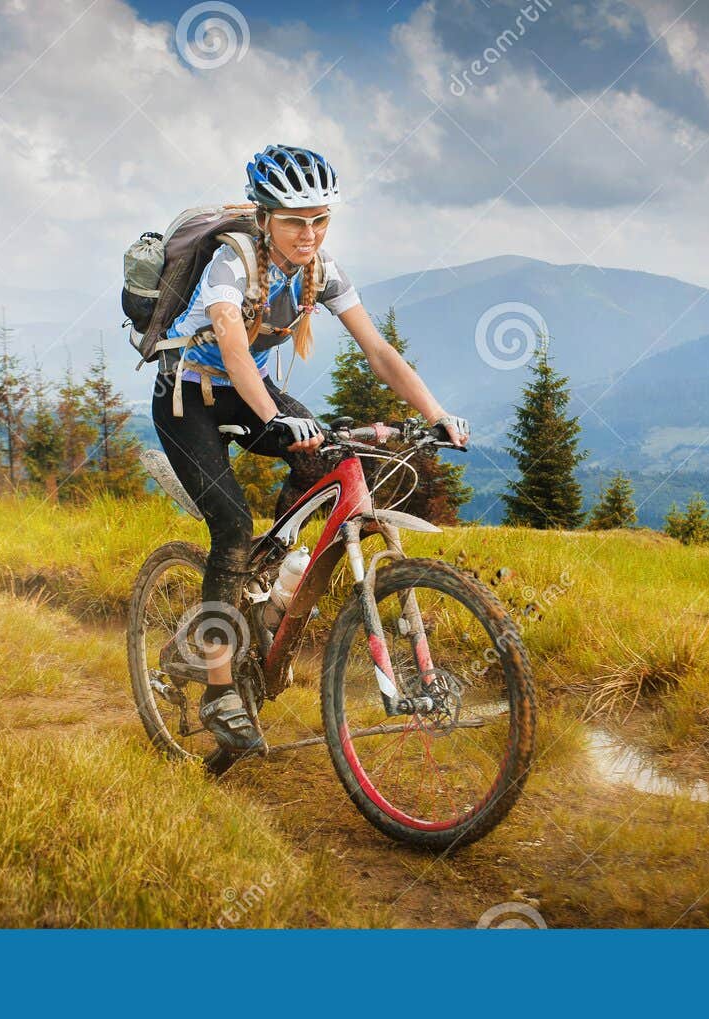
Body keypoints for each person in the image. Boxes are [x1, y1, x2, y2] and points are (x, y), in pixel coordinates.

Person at [151, 143, 470, 755]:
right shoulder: (232, 262)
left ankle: (274, 587)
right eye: (296, 220)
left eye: (321, 219)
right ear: (265, 217)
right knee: (231, 525)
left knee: (332, 463)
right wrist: (275, 418)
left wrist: (436, 415)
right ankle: (220, 689)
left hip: (252, 394)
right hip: (188, 396)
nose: (309, 233)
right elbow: (235, 349)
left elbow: (378, 352)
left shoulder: (323, 270)